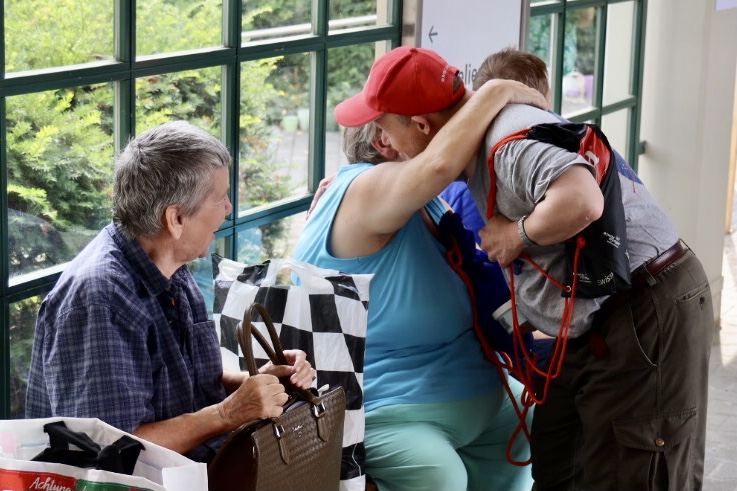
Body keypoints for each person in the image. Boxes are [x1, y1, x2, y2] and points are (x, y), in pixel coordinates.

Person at [334, 46, 714, 491]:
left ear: (421, 125)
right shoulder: (486, 137)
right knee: (559, 465)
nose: (386, 146)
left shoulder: (504, 144)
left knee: (632, 473)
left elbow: (583, 200)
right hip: (600, 315)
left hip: (645, 306)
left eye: (385, 130)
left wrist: (516, 236)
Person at [294, 78, 548, 490]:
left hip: (475, 388)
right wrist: (497, 91)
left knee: (540, 422)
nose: (453, 135)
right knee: (440, 477)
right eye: (436, 126)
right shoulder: (364, 188)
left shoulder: (425, 201)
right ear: (385, 141)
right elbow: (439, 164)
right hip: (395, 408)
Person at [25, 121, 316, 463]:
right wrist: (228, 413)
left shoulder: (170, 263)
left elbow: (193, 386)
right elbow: (110, 450)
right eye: (219, 198)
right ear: (176, 219)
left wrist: (260, 384)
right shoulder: (100, 300)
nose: (228, 209)